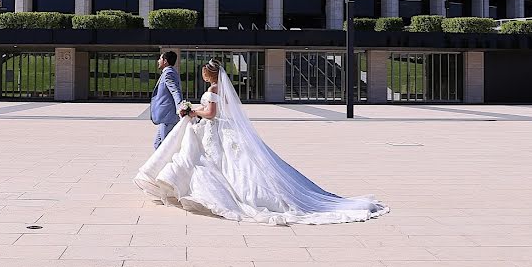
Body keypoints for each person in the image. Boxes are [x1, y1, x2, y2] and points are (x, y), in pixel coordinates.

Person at [135, 58, 389, 225]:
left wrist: (193, 112)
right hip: (218, 130)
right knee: (218, 162)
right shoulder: (221, 89)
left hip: (215, 130)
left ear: (209, 75)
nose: (202, 75)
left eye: (204, 72)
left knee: (212, 163)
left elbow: (211, 114)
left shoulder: (213, 90)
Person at [149, 50, 184, 150]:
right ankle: (160, 165)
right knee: (158, 145)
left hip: (168, 117)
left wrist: (180, 108)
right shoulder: (170, 72)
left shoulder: (169, 73)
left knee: (166, 147)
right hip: (165, 117)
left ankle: (169, 165)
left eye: (160, 59)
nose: (158, 61)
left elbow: (175, 92)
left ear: (165, 61)